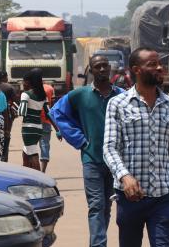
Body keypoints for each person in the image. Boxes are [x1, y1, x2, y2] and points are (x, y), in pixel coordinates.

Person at [103, 47, 169, 247]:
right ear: (136, 69)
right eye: (152, 64)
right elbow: (109, 147)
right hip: (129, 198)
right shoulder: (118, 104)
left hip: (162, 197)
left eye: (159, 64)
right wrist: (125, 176)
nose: (159, 68)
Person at [50, 55, 124, 247]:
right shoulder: (80, 94)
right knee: (96, 206)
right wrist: (79, 140)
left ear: (110, 69)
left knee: (107, 207)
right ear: (90, 70)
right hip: (92, 159)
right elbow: (56, 112)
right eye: (97, 66)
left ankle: (98, 241)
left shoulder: (122, 95)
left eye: (105, 66)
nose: (102, 69)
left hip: (117, 162)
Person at [18, 68, 61, 171]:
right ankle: (26, 175)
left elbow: (21, 112)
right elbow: (49, 114)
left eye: (24, 81)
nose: (23, 83)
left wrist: (18, 107)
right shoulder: (43, 96)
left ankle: (38, 178)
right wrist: (57, 130)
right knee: (26, 152)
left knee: (32, 154)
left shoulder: (25, 94)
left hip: (28, 128)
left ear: (29, 81)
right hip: (38, 128)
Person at [0, 71, 16, 162]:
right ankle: (4, 162)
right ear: (5, 77)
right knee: (5, 141)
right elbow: (15, 103)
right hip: (6, 119)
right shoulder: (9, 87)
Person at [38, 83, 55, 173]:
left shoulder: (31, 89)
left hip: (33, 121)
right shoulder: (50, 88)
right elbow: (52, 106)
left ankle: (32, 171)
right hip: (46, 120)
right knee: (45, 145)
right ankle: (42, 171)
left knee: (30, 147)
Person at [0, 70, 7, 161]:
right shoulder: (2, 95)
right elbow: (5, 113)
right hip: (0, 125)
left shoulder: (2, 95)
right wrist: (7, 130)